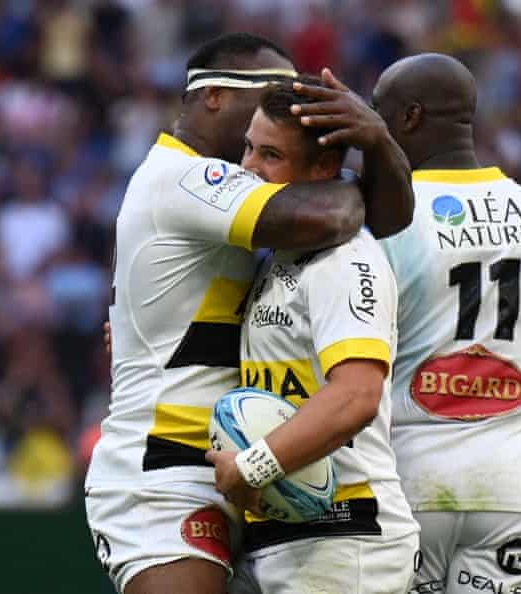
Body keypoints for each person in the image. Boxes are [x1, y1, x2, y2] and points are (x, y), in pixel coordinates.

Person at [84, 33, 414, 594]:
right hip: (168, 473)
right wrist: (360, 165)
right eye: (272, 90)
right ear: (214, 95)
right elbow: (330, 217)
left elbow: (363, 219)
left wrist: (371, 153)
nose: (288, 103)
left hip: (244, 473)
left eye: (272, 151)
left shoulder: (250, 222)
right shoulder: (184, 177)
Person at [358, 53, 521, 593]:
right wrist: (499, 450)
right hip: (510, 493)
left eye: (378, 112)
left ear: (411, 117)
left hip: (403, 484)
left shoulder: (385, 227)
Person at [206, 81, 419, 594]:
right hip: (295, 539)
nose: (249, 167)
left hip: (347, 537)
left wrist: (252, 467)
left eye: (271, 154)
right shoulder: (280, 255)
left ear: (323, 170)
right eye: (249, 147)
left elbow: (356, 395)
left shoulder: (344, 261)